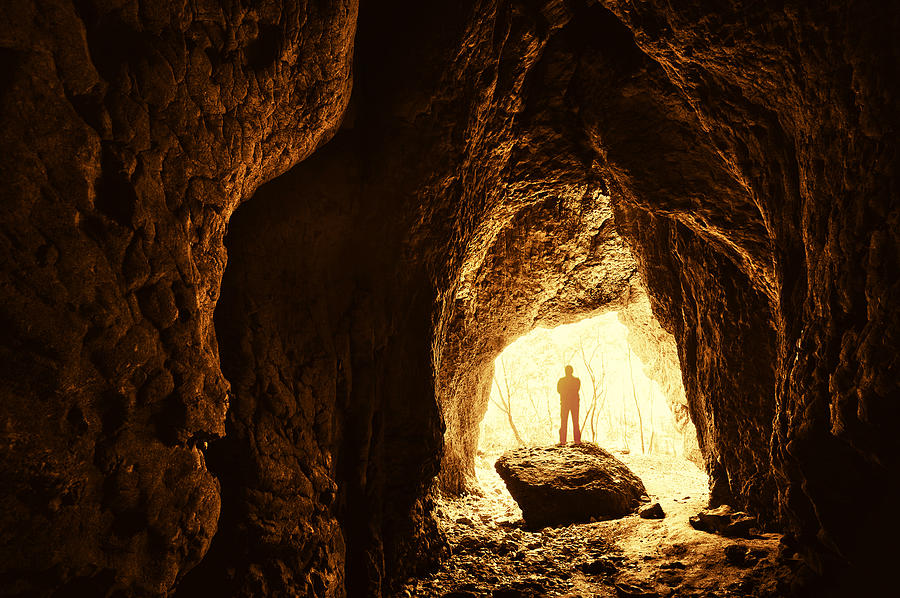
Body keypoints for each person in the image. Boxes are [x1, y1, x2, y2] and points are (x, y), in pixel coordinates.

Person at [557, 365, 581, 444]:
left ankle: (563, 440)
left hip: (565, 403)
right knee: (575, 421)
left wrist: (565, 394)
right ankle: (577, 440)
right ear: (572, 371)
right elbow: (576, 389)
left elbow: (559, 390)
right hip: (574, 403)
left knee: (564, 422)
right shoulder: (577, 380)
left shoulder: (561, 381)